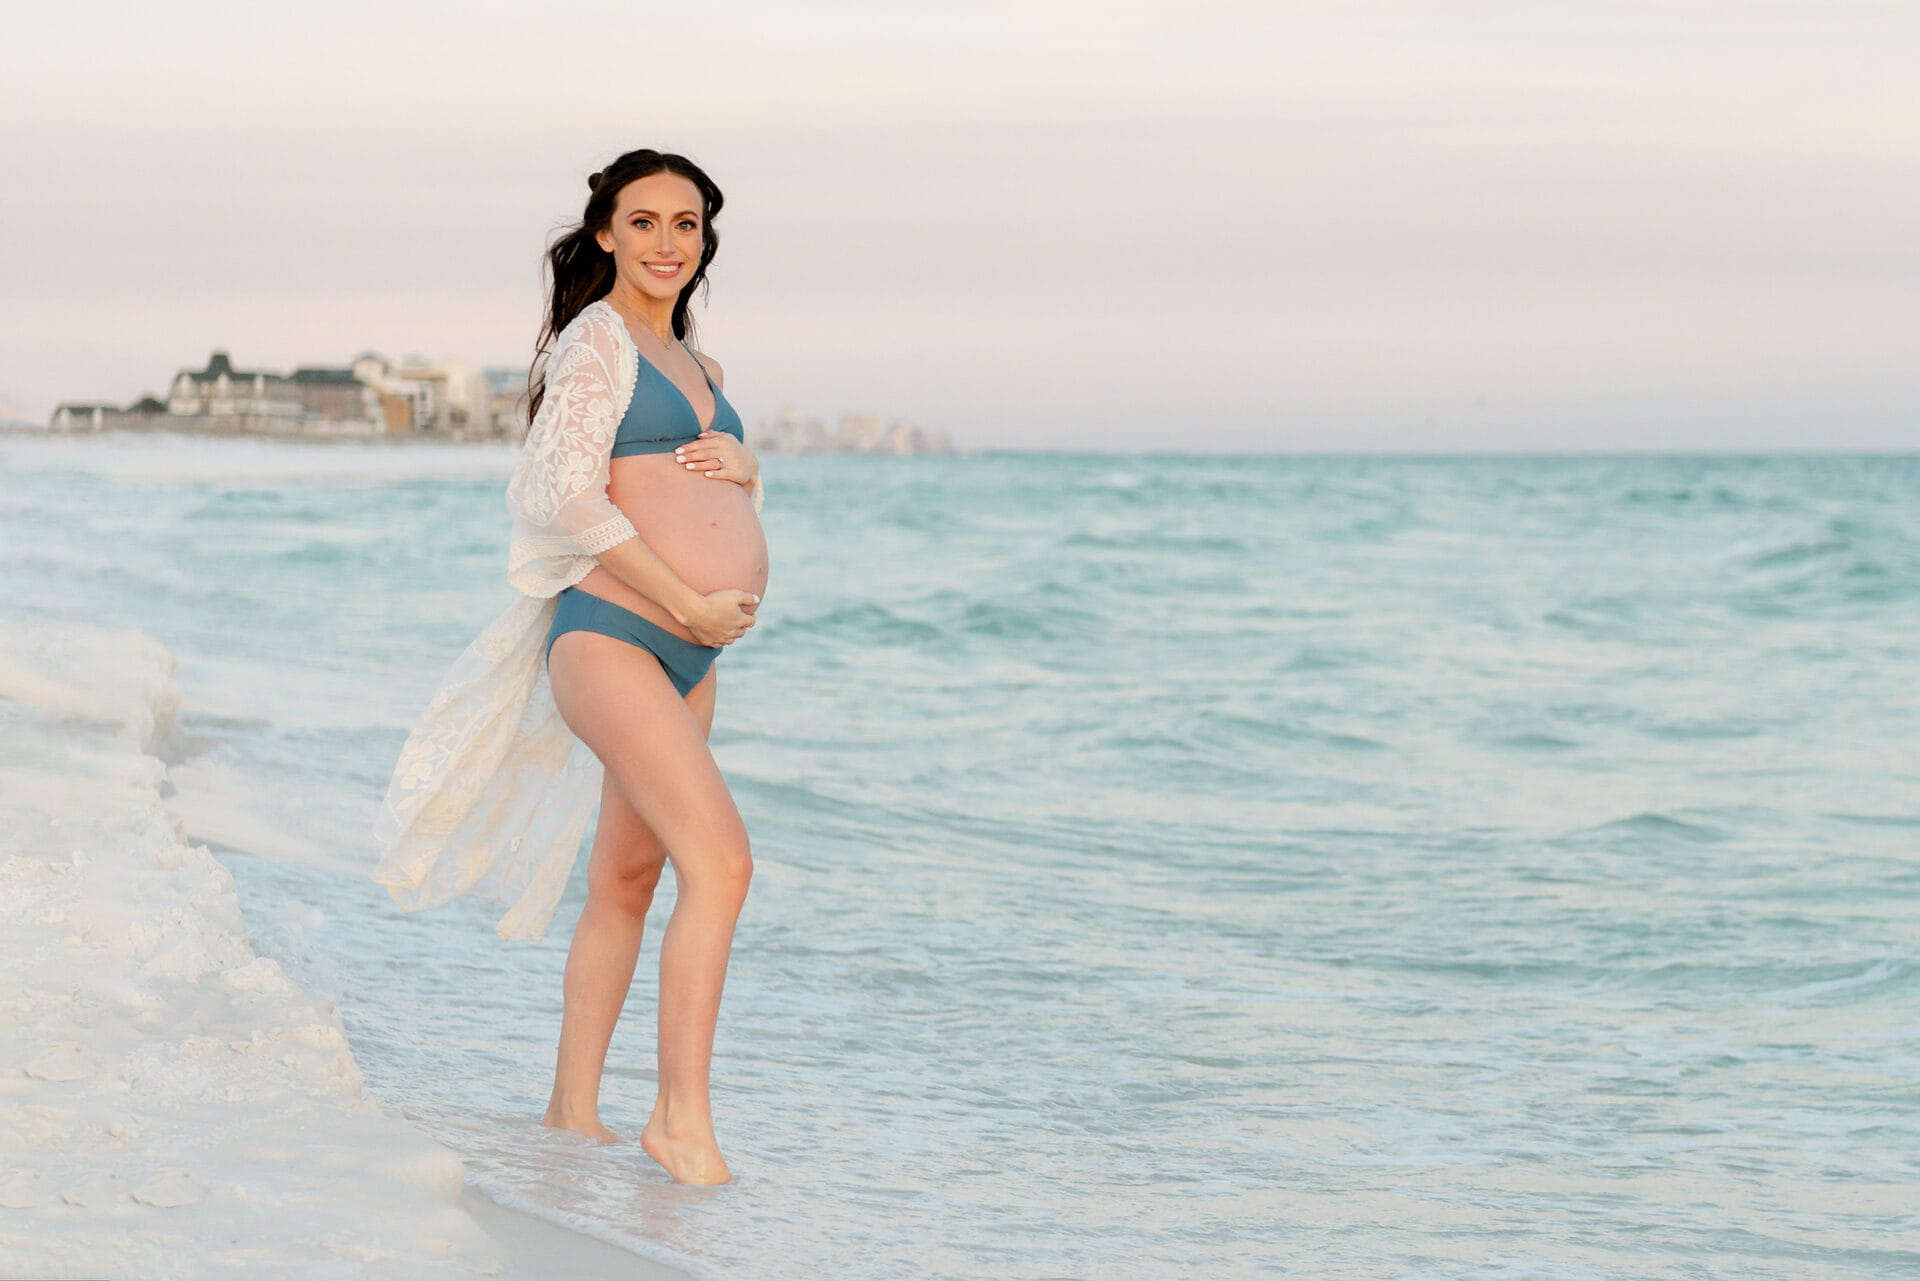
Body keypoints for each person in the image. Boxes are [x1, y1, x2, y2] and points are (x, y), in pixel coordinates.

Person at [371, 148, 768, 1186]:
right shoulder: (595, 342)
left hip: (691, 654)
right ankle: (680, 1121)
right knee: (722, 865)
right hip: (615, 636)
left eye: (686, 225)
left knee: (627, 877)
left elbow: (698, 491)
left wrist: (750, 468)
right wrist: (684, 599)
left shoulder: (702, 368)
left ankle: (569, 1113)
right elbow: (559, 499)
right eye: (644, 223)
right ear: (605, 233)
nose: (666, 244)